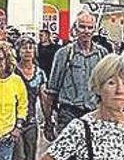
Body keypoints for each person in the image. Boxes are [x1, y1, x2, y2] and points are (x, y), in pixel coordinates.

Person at [43, 11, 109, 140]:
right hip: (68, 114)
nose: (86, 31)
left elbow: (107, 86)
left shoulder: (102, 54)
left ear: (94, 30)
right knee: (68, 157)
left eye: (90, 27)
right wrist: (48, 121)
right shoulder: (64, 53)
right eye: (82, 26)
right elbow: (52, 90)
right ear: (75, 28)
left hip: (94, 114)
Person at [9, 36, 46, 160]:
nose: (27, 51)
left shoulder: (39, 73)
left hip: (31, 121)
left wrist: (48, 119)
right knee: (18, 159)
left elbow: (43, 96)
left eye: (31, 47)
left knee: (30, 158)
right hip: (14, 121)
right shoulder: (12, 72)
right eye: (24, 47)